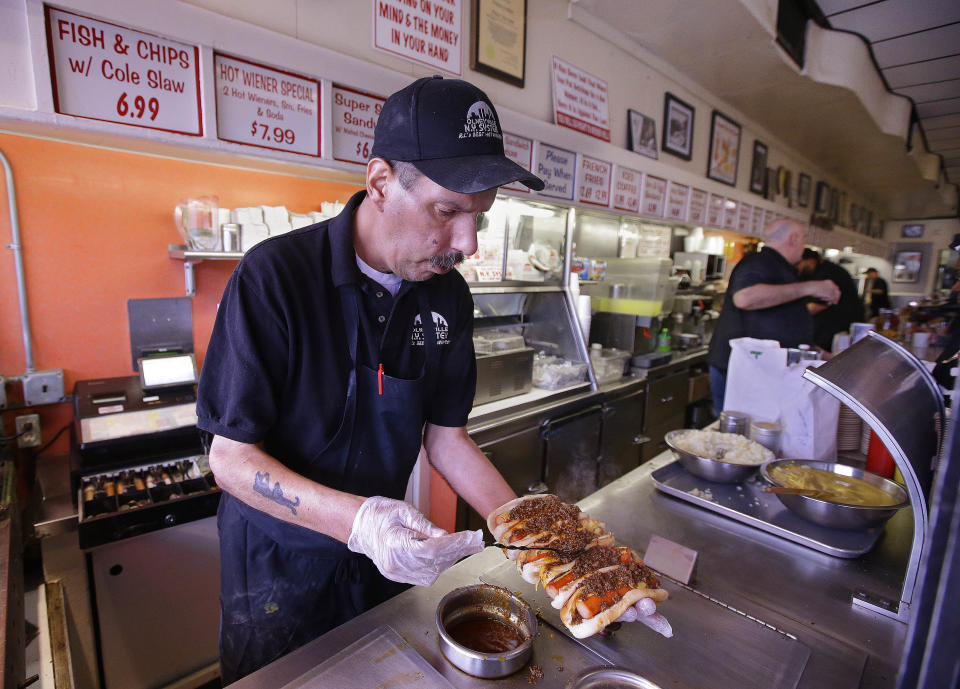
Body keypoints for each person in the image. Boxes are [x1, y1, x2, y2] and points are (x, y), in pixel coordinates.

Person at [706, 219, 841, 414]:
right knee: (737, 439)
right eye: (803, 239)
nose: (804, 246)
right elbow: (745, 298)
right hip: (741, 374)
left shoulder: (781, 269)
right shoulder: (759, 262)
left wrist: (822, 354)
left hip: (760, 374)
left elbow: (781, 324)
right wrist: (810, 287)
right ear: (793, 238)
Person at [797, 249, 865, 351]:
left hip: (837, 327)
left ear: (810, 261)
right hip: (828, 326)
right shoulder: (816, 272)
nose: (797, 268)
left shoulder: (829, 273)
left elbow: (816, 306)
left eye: (798, 264)